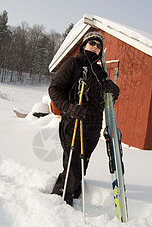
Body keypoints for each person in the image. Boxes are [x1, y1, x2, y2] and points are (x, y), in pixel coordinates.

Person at [49, 31, 119, 206]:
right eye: (92, 43)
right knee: (72, 163)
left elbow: (105, 98)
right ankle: (61, 198)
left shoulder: (100, 72)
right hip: (74, 122)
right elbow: (54, 89)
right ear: (84, 45)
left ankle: (75, 190)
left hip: (93, 125)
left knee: (83, 161)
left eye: (98, 45)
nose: (95, 47)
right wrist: (69, 107)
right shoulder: (73, 64)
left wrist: (113, 91)